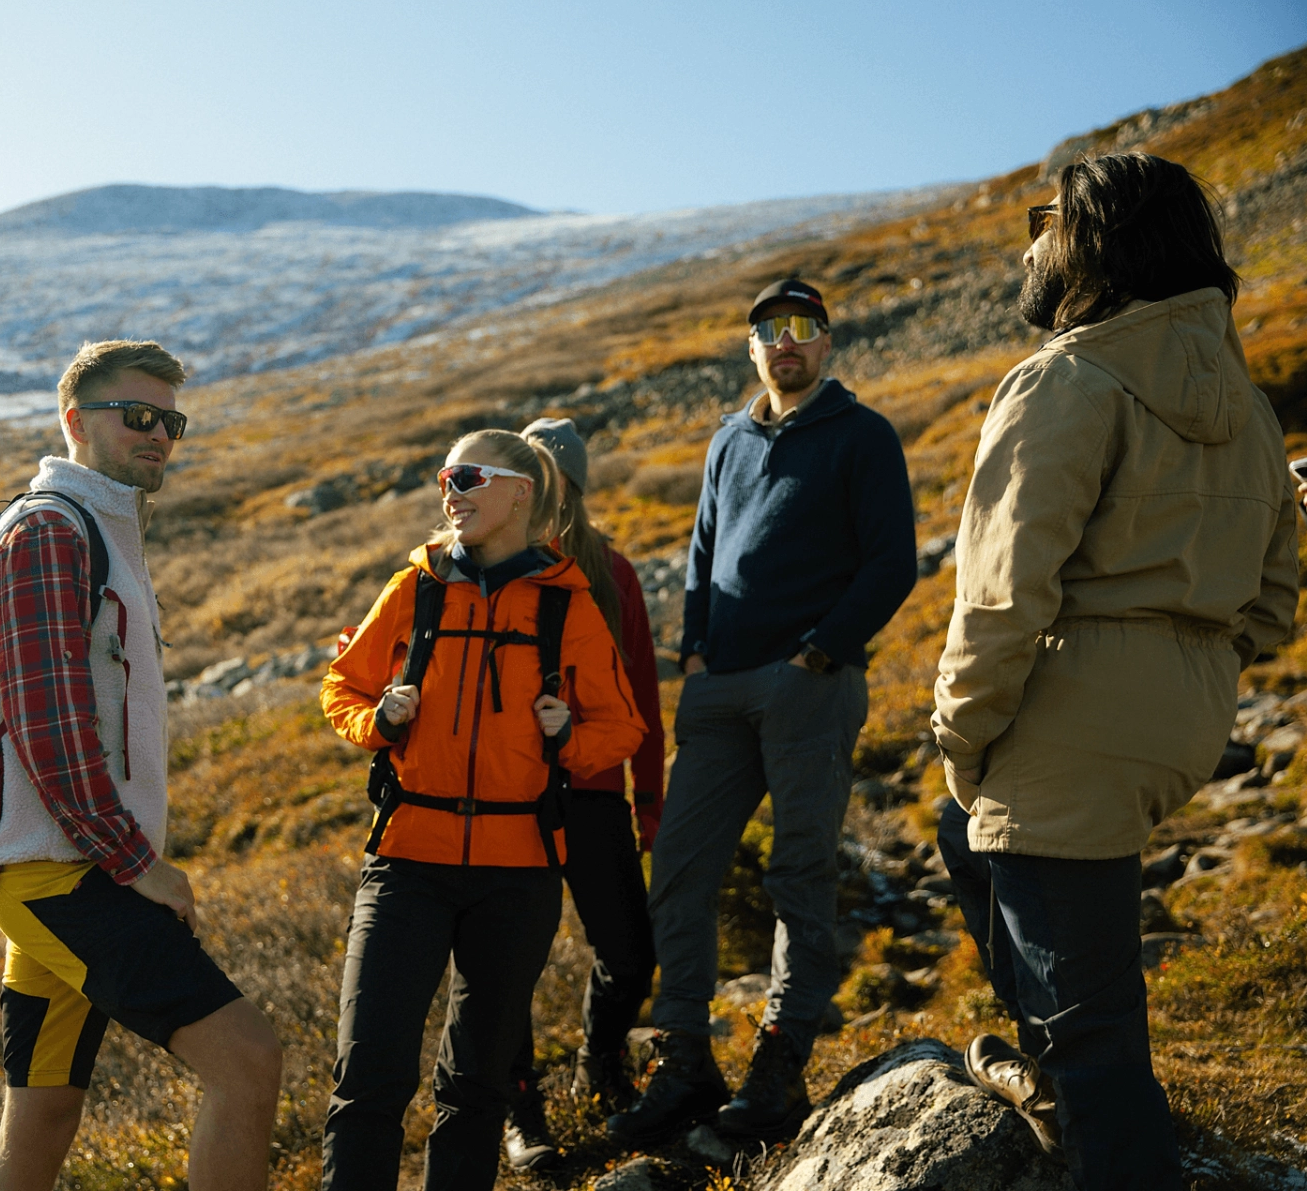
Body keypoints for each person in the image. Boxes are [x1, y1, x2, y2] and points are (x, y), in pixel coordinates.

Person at [932, 153, 1297, 1191]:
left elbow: (1002, 597)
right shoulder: (1251, 407)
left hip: (1069, 716)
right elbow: (1273, 602)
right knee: (969, 839)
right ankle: (1053, 1068)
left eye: (1047, 219)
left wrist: (959, 732)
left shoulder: (1066, 377)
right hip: (1180, 716)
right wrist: (1179, 665)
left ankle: (1085, 1107)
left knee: (1091, 1029)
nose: (1031, 239)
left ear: (1097, 245)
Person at [608, 279, 917, 1147]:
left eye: (802, 329)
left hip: (806, 688)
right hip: (717, 693)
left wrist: (819, 651)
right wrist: (695, 652)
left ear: (827, 343)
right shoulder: (728, 441)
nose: (785, 343)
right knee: (678, 869)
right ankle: (684, 1058)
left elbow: (893, 563)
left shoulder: (862, 436)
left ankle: (778, 1064)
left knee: (798, 874)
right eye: (769, 331)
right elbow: (703, 552)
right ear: (753, 349)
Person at [0, 340, 282, 1191]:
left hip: (65, 867)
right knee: (249, 1060)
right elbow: (47, 724)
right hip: (64, 876)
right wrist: (137, 862)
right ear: (74, 420)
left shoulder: (101, 527)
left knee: (39, 1120)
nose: (158, 435)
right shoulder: (45, 532)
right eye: (137, 415)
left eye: (170, 422)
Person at [319, 429, 648, 1191]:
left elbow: (622, 728)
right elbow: (342, 685)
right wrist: (381, 721)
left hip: (518, 873)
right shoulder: (416, 588)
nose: (451, 491)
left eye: (468, 476)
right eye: (444, 477)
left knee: (475, 1089)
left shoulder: (569, 604)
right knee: (367, 1077)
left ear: (521, 490)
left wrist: (568, 736)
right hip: (405, 862)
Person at [498, 418, 664, 1171]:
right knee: (505, 962)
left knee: (630, 953)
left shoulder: (612, 572)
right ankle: (520, 1105)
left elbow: (642, 698)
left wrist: (649, 799)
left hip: (593, 791)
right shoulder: (491, 571)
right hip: (512, 800)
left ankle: (600, 1063)